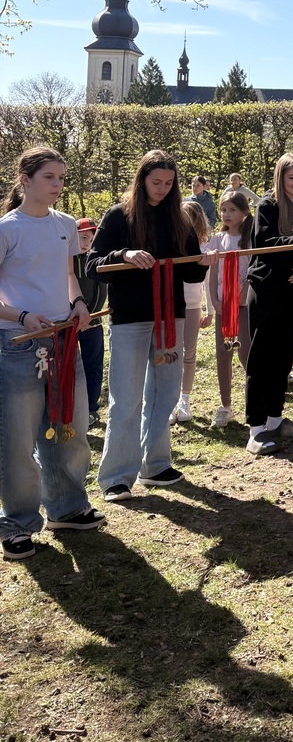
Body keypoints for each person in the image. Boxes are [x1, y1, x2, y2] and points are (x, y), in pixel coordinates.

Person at [89, 150, 213, 500]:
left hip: (170, 319)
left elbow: (190, 272)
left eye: (169, 183)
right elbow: (93, 265)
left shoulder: (179, 219)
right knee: (126, 398)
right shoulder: (118, 215)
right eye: (156, 182)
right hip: (129, 320)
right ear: (141, 179)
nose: (162, 188)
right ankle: (116, 477)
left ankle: (155, 465)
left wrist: (204, 262)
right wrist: (124, 255)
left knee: (165, 393)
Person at [0, 147, 104, 559]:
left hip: (64, 341)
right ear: (25, 180)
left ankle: (68, 508)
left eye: (61, 177)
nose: (58, 184)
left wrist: (77, 304)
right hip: (18, 345)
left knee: (69, 426)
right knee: (17, 438)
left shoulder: (64, 224)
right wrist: (22, 316)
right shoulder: (7, 229)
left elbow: (68, 277)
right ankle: (17, 523)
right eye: (49, 177)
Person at [244, 153, 293, 456]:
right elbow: (264, 245)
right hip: (267, 292)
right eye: (292, 177)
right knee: (262, 360)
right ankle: (255, 429)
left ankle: (275, 419)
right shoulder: (268, 205)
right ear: (280, 178)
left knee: (284, 358)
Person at [206, 190, 254, 427]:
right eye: (223, 210)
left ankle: (256, 397)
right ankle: (225, 406)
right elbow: (212, 272)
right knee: (223, 354)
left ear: (244, 212)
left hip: (244, 305)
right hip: (224, 306)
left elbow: (253, 269)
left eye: (232, 210)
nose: (226, 214)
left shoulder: (250, 238)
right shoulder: (217, 239)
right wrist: (214, 302)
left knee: (245, 352)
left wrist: (244, 292)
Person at [170, 199, 212, 424]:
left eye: (192, 219)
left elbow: (208, 282)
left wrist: (210, 310)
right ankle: (170, 401)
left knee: (189, 353)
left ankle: (184, 400)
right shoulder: (172, 244)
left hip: (193, 306)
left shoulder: (204, 247)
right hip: (172, 306)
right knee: (170, 353)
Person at [74, 216, 108, 425]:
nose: (86, 243)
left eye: (90, 239)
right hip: (68, 324)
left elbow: (101, 292)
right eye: (83, 237)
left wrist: (90, 316)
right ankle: (72, 407)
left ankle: (91, 408)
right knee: (69, 366)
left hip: (92, 324)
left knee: (93, 366)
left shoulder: (94, 260)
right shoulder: (64, 259)